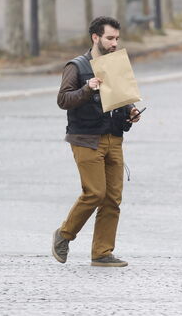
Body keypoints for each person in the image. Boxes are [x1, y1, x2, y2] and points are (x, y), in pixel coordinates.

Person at [52, 16, 143, 268]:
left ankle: (102, 252)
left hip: (113, 137)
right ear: (96, 38)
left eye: (117, 38)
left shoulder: (116, 65)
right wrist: (87, 88)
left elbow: (122, 99)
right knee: (94, 193)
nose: (115, 43)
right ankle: (64, 234)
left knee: (113, 198)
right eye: (110, 38)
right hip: (86, 138)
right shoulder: (77, 66)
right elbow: (63, 100)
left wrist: (131, 111)